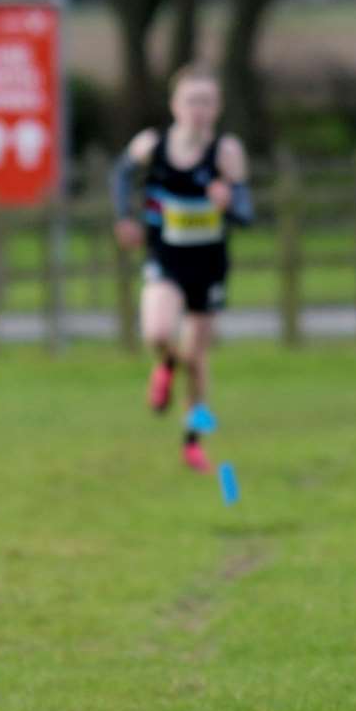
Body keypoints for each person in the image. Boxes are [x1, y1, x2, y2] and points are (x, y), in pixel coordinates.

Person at [111, 65, 253, 473]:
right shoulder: (151, 145)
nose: (199, 109)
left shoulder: (226, 152)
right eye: (192, 100)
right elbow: (120, 175)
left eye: (207, 101)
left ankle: (192, 442)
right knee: (157, 331)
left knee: (198, 356)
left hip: (209, 265)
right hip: (165, 257)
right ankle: (165, 363)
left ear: (218, 107)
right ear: (175, 105)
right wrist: (125, 217)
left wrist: (231, 204)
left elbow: (247, 212)